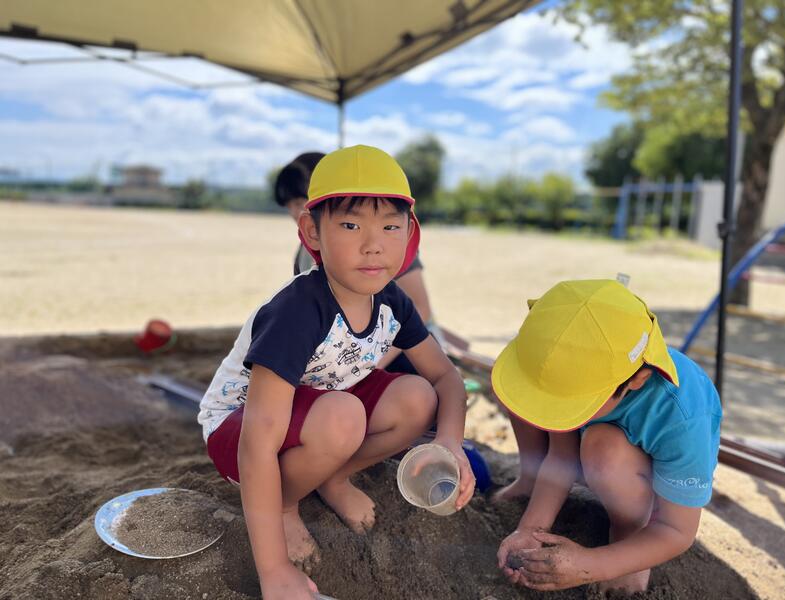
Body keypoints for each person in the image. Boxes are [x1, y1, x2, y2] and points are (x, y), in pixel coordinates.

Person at [199, 145, 476, 599]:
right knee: (343, 416)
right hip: (240, 427)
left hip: (322, 404)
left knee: (418, 398)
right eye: (350, 225)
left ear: (410, 233)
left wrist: (450, 442)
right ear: (312, 231)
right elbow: (257, 439)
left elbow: (446, 378)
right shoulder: (297, 310)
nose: (373, 244)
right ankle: (286, 504)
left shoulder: (392, 301)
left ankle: (331, 476)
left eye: (390, 226)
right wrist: (274, 569)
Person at [491, 279, 722, 594]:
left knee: (604, 447)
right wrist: (530, 529)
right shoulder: (575, 365)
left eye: (570, 404)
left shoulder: (683, 415)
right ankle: (530, 478)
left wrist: (591, 564)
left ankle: (628, 532)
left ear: (638, 379)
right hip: (588, 456)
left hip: (641, 481)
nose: (552, 414)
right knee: (523, 387)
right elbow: (561, 456)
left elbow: (676, 530)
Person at [273, 151, 437, 374]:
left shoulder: (385, 249)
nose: (296, 211)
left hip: (397, 352)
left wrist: (362, 369)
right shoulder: (304, 253)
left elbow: (421, 308)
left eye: (302, 200)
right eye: (290, 204)